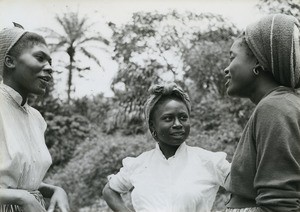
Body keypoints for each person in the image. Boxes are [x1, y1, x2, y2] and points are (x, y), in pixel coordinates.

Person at [102, 82, 231, 212]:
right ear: (153, 127)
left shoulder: (209, 161)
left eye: (183, 117)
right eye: (168, 118)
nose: (178, 124)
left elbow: (246, 187)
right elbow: (109, 190)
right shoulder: (139, 164)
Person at [224, 14, 300, 212]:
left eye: (232, 57)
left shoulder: (276, 109)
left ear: (258, 62)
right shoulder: (281, 105)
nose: (226, 68)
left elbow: (279, 203)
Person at [0, 24, 70, 212]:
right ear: (10, 61)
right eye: (40, 58)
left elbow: (18, 180)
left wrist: (56, 190)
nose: (49, 68)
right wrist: (20, 198)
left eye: (50, 62)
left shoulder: (36, 118)